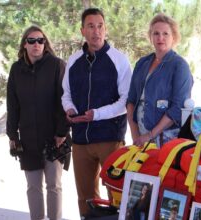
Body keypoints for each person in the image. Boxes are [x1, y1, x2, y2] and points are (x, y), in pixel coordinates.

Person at [61, 8, 132, 218]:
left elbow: (125, 102)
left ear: (106, 29)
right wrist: (70, 109)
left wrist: (97, 114)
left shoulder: (119, 60)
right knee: (85, 197)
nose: (96, 31)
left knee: (116, 195)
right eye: (90, 26)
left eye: (100, 26)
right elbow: (66, 95)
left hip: (110, 139)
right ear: (83, 30)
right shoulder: (73, 61)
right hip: (80, 140)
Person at [6, 25, 69, 220]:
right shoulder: (17, 70)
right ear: (25, 44)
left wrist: (62, 132)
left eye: (40, 40)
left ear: (45, 43)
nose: (36, 44)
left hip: (54, 137)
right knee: (33, 186)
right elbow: (13, 105)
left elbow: (64, 101)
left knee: (54, 185)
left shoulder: (57, 65)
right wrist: (12, 135)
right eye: (31, 41)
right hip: (28, 138)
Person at [127, 13, 193, 147]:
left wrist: (150, 135)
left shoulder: (179, 66)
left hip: (166, 139)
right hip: (140, 138)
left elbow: (178, 107)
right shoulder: (142, 63)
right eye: (156, 33)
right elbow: (131, 101)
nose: (160, 38)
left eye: (165, 34)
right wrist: (136, 136)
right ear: (150, 37)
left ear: (173, 37)